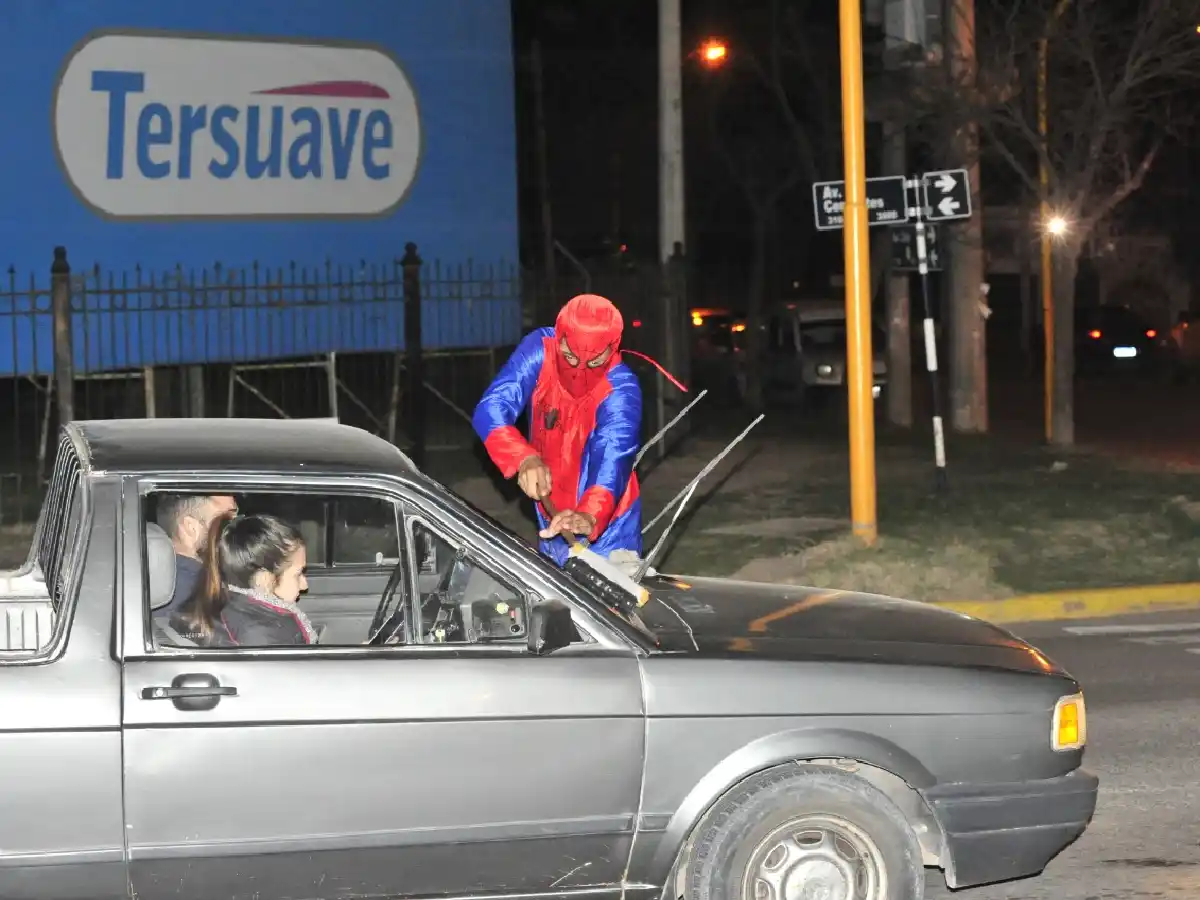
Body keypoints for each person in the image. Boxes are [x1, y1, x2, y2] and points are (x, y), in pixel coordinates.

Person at [472, 293, 682, 565]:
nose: (579, 370)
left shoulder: (621, 390)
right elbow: (492, 407)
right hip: (550, 508)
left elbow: (612, 456)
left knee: (608, 588)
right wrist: (522, 457)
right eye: (569, 356)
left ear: (613, 348)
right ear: (559, 335)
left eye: (594, 362)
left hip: (608, 526)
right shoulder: (541, 349)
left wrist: (590, 515)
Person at [171, 513, 316, 648]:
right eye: (298, 574)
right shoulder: (265, 635)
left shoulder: (222, 602)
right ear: (265, 580)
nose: (304, 585)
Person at [155, 493, 239, 614]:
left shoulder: (154, 583)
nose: (238, 529)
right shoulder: (202, 597)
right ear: (191, 528)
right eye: (226, 521)